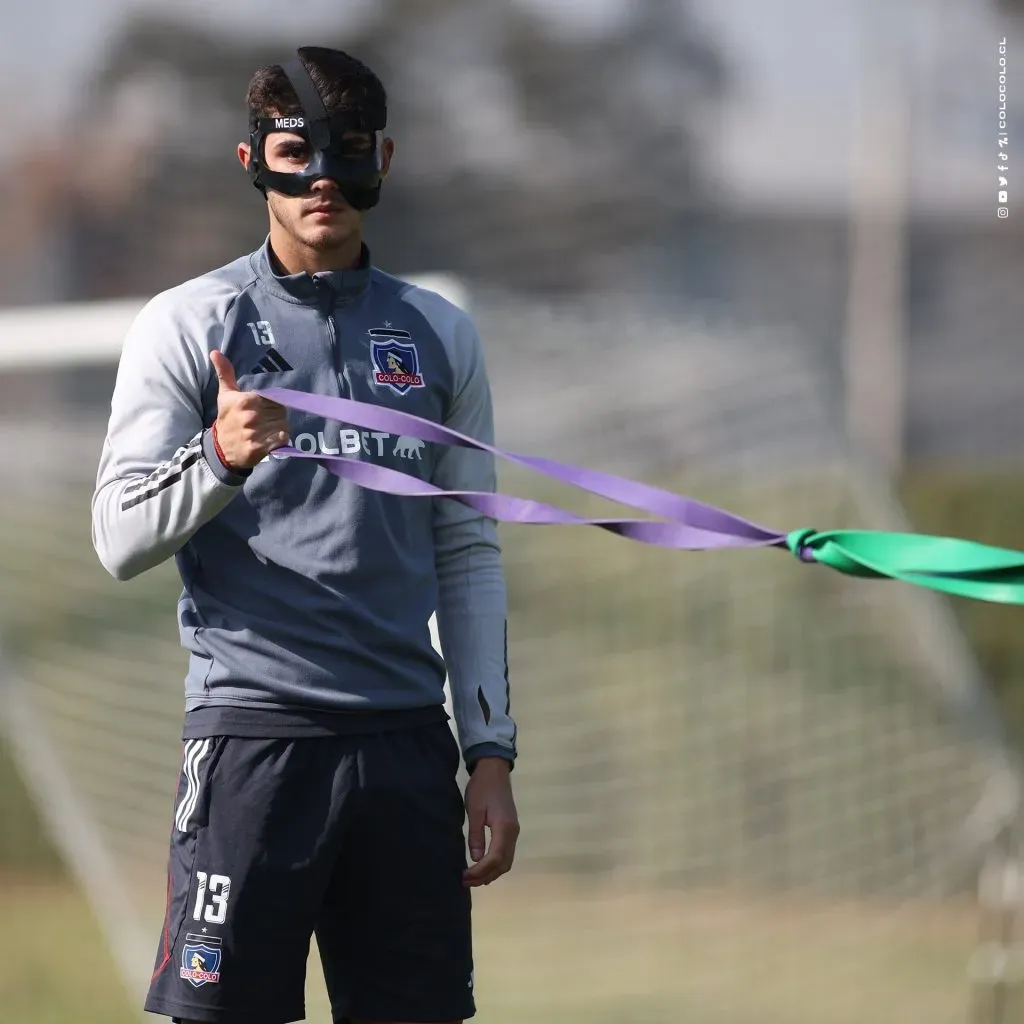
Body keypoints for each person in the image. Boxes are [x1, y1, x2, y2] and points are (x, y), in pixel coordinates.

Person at [91, 45, 519, 1024]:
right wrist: (219, 457)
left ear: (385, 157)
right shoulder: (187, 324)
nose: (322, 177)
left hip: (409, 758)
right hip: (253, 754)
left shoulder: (440, 333)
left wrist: (488, 753)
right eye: (296, 151)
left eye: (348, 152)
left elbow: (468, 551)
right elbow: (117, 537)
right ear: (254, 161)